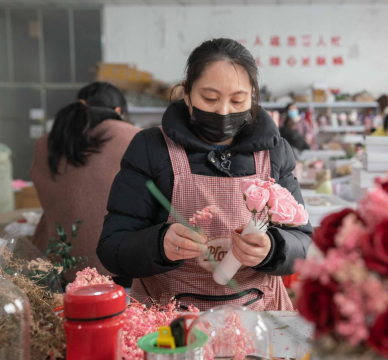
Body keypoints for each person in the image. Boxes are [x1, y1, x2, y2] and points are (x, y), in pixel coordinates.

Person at [97, 38, 313, 311]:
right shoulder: (152, 149)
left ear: (253, 95)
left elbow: (303, 242)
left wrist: (273, 249)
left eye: (237, 100)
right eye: (209, 98)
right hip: (169, 320)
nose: (223, 111)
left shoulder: (275, 151)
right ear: (187, 93)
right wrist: (159, 244)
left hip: (260, 313)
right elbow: (112, 247)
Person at [30, 82, 140, 286]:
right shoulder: (135, 137)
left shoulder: (45, 141)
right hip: (117, 270)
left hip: (58, 268)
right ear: (118, 111)